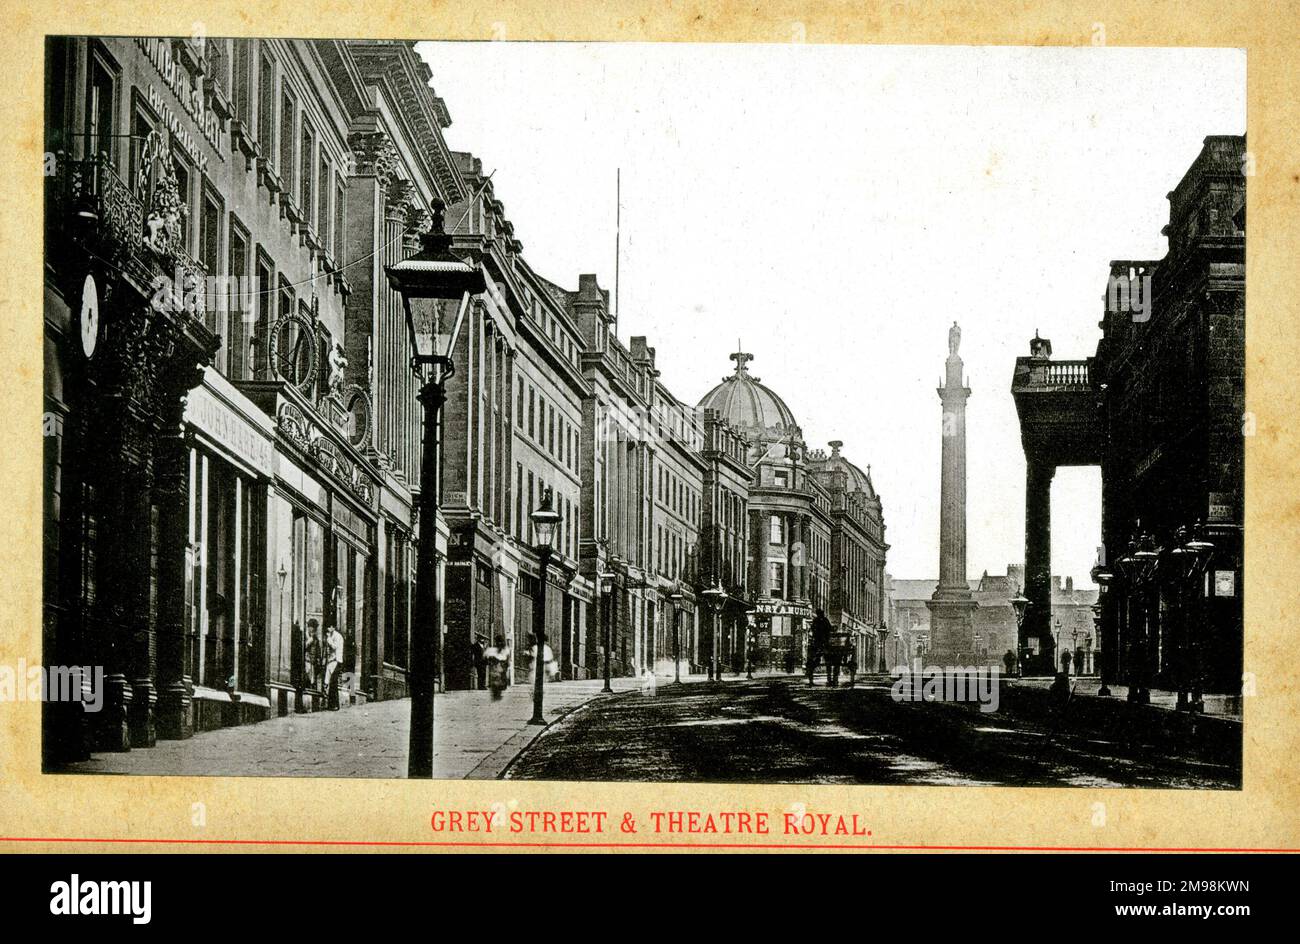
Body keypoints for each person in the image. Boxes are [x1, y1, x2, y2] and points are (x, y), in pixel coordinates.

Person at [807, 609, 832, 685]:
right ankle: (829, 679)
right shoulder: (825, 620)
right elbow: (829, 629)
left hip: (818, 642)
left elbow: (813, 629)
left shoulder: (816, 620)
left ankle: (811, 680)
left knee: (813, 661)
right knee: (828, 661)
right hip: (823, 643)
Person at [485, 635, 511, 701]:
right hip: (497, 668)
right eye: (498, 642)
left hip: (500, 668)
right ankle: (497, 693)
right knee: (497, 680)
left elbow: (507, 660)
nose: (499, 643)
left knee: (499, 680)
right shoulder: (493, 650)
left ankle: (497, 693)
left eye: (500, 642)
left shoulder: (504, 650)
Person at [324, 623, 344, 710]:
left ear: (333, 627)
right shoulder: (333, 635)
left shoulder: (337, 636)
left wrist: (328, 639)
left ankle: (334, 705)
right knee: (332, 683)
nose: (328, 628)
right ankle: (332, 705)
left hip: (337, 661)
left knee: (333, 683)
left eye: (329, 626)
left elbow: (334, 646)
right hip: (332, 661)